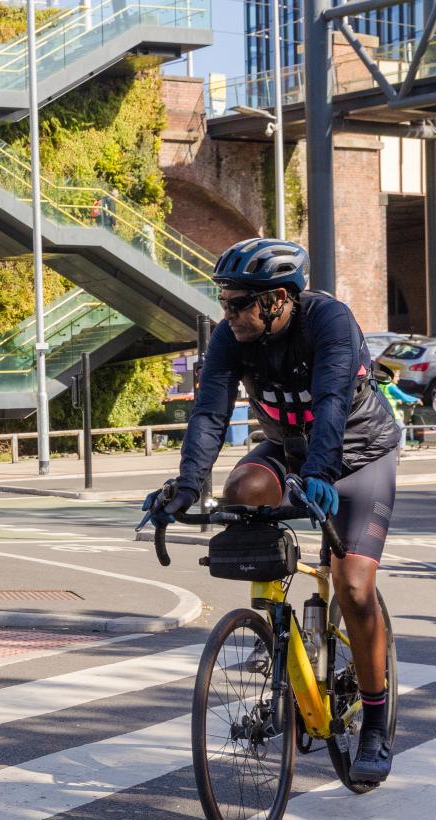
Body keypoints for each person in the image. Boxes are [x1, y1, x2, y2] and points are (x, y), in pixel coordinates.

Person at [143, 237, 401, 783]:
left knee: (353, 585)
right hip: (291, 451)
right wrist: (187, 487)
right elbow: (211, 412)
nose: (227, 313)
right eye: (224, 301)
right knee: (242, 489)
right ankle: (280, 635)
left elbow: (331, 400)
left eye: (238, 303)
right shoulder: (230, 338)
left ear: (279, 299)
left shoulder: (329, 322)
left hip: (358, 454)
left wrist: (323, 474)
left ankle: (375, 723)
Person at [374, 363, 419, 454]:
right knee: (402, 428)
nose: (398, 379)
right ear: (391, 377)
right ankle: (401, 450)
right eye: (397, 376)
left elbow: (387, 396)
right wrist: (416, 399)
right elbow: (403, 396)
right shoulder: (391, 386)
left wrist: (396, 400)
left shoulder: (382, 385)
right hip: (392, 413)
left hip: (381, 412)